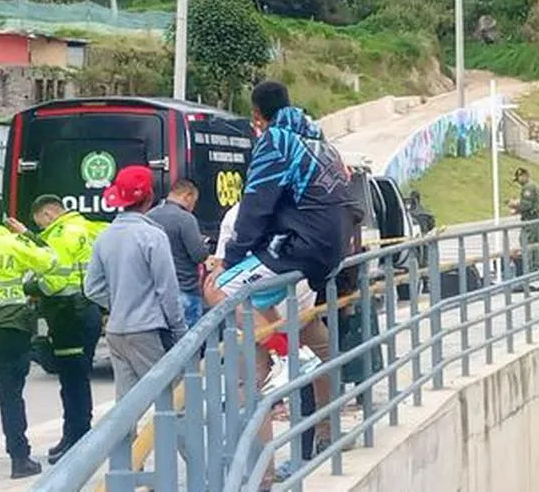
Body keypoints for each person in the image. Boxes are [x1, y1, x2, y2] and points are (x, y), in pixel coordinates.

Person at [209, 80, 358, 477]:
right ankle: (289, 352)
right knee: (262, 294)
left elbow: (255, 206)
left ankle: (284, 357)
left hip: (301, 247)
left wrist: (235, 260)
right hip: (330, 250)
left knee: (222, 289)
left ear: (257, 117)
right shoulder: (320, 141)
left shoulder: (275, 142)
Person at [4, 195, 105, 464]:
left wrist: (29, 288)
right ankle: (74, 435)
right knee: (77, 378)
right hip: (89, 311)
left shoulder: (61, 234)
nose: (39, 228)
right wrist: (28, 235)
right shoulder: (86, 227)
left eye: (39, 223)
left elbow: (56, 278)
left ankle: (77, 439)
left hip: (68, 313)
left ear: (49, 214)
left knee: (72, 381)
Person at [84, 165, 187, 399]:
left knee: (126, 405)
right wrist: (180, 330)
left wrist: (119, 302)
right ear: (149, 197)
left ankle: (125, 438)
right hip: (147, 329)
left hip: (116, 330)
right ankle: (175, 438)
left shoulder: (105, 236)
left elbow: (91, 288)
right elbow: (167, 289)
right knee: (172, 397)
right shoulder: (152, 236)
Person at [0, 195, 58, 478]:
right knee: (11, 397)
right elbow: (50, 261)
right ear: (3, 218)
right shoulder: (14, 243)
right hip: (11, 330)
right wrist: (27, 234)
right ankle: (19, 460)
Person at [148, 179, 210, 328]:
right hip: (185, 289)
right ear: (187, 196)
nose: (193, 207)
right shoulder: (185, 219)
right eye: (194, 202)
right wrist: (204, 245)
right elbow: (199, 255)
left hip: (155, 292)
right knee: (189, 344)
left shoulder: (149, 216)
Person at [508, 167, 539, 291]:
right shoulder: (532, 186)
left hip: (531, 221)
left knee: (527, 245)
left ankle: (527, 275)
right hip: (535, 220)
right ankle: (533, 272)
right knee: (533, 247)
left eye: (518, 178)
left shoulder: (528, 188)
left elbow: (526, 205)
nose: (518, 181)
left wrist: (515, 206)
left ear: (523, 176)